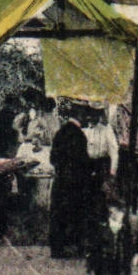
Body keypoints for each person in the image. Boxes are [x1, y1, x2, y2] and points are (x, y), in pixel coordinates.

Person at [49, 106, 92, 258]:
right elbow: (84, 161)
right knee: (76, 213)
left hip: (60, 180)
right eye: (85, 115)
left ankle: (56, 249)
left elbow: (52, 158)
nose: (87, 118)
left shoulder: (60, 133)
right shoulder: (80, 136)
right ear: (79, 115)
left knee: (58, 214)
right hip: (75, 181)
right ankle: (76, 248)